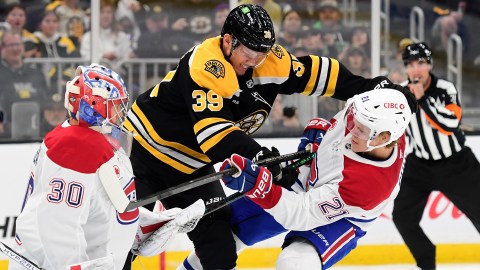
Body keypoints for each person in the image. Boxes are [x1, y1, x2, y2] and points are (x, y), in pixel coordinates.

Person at [124, 4, 416, 270]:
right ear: (228, 41)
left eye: (261, 54)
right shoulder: (206, 64)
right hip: (150, 154)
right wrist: (259, 155)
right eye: (248, 55)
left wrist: (372, 87)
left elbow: (319, 75)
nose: (254, 62)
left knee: (220, 250)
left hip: (193, 167)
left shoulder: (268, 60)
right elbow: (212, 134)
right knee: (126, 235)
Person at [10, 64, 205, 269]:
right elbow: (58, 225)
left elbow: (107, 203)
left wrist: (146, 223)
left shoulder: (96, 142)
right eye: (115, 106)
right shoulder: (74, 146)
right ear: (92, 106)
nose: (121, 113)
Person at [217, 88, 413, 270]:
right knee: (217, 240)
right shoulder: (371, 118)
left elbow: (301, 213)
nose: (350, 130)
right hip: (309, 181)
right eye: (353, 120)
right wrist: (323, 136)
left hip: (345, 217)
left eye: (360, 130)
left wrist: (260, 188)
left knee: (294, 262)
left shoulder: (369, 186)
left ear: (383, 138)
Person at [392, 41, 480, 270]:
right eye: (410, 64)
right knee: (402, 217)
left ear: (429, 64)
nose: (415, 69)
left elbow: (450, 124)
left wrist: (422, 100)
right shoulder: (401, 93)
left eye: (420, 62)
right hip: (420, 165)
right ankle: (426, 261)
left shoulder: (445, 89)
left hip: (457, 164)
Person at [0, 30, 49, 138]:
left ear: (22, 47)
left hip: (37, 130)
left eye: (18, 44)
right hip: (6, 133)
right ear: (2, 48)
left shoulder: (37, 73)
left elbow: (46, 101)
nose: (15, 49)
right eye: (11, 45)